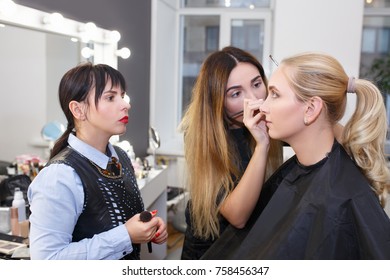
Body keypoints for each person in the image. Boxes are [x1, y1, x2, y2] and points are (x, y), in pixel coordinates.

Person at [202, 52, 390, 259]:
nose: (259, 104)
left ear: (311, 109)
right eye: (236, 93)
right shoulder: (216, 137)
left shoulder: (340, 196)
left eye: (274, 94)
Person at [27, 62, 167, 260]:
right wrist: (125, 236)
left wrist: (145, 226)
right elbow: (47, 261)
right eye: (110, 97)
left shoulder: (120, 157)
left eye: (122, 95)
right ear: (78, 110)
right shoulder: (60, 176)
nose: (126, 104)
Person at [178, 46, 284, 260]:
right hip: (211, 254)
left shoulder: (270, 119)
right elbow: (237, 216)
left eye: (257, 84)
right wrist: (262, 144)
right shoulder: (201, 134)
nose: (254, 99)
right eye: (236, 93)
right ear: (218, 101)